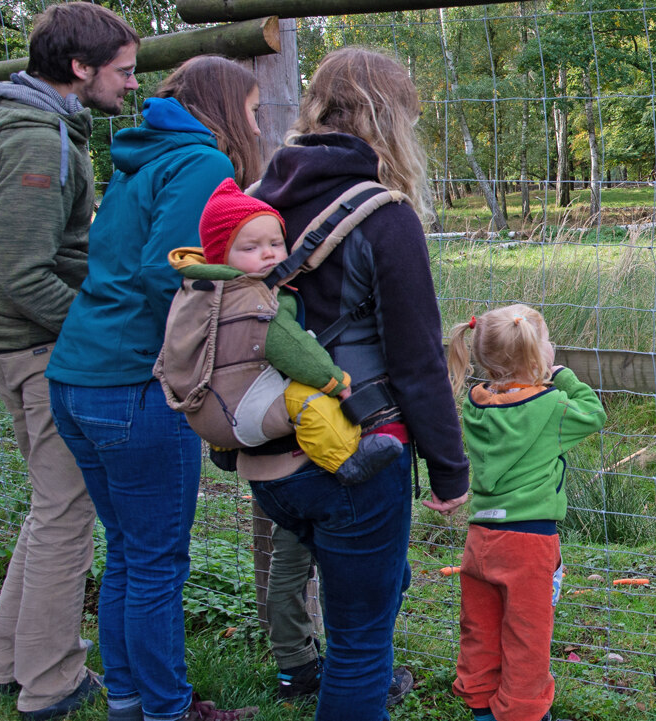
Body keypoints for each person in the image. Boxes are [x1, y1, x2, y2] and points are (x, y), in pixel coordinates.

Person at [243, 46, 469, 721]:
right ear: (390, 118)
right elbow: (419, 361)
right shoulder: (384, 216)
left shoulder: (259, 197)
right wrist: (450, 472)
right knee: (362, 644)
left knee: (373, 582)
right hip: (359, 453)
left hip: (271, 452)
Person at [0, 4, 137, 719]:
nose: (131, 85)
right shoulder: (30, 141)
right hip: (35, 344)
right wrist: (93, 337)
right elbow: (22, 272)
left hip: (6, 342)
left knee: (52, 504)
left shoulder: (18, 124)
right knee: (67, 513)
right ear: (81, 69)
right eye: (124, 71)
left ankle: (8, 659)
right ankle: (51, 682)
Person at [44, 55, 263, 721]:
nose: (255, 124)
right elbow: (168, 270)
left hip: (76, 375)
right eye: (252, 111)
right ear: (227, 108)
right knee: (158, 559)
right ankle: (169, 708)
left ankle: (130, 699)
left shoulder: (143, 157)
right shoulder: (201, 164)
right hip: (134, 384)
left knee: (128, 551)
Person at [179, 177, 405, 486]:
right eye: (251, 247)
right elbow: (291, 347)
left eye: (275, 243)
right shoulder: (253, 299)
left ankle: (225, 450)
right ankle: (347, 460)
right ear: (220, 254)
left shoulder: (201, 289)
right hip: (240, 410)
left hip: (207, 408)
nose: (269, 254)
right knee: (309, 398)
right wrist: (334, 380)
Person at [445, 305, 606, 721]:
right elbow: (594, 413)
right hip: (529, 542)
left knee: (479, 630)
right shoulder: (552, 406)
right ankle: (522, 714)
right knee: (527, 638)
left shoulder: (476, 405)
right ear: (539, 356)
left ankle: (482, 709)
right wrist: (563, 375)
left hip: (480, 538)